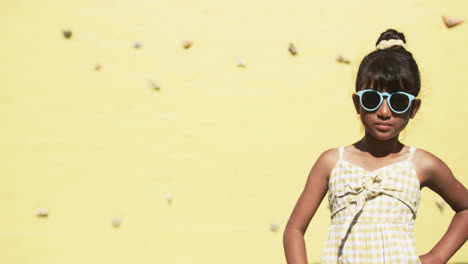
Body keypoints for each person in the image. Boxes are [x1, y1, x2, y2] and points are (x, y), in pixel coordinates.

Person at [283, 29, 468, 264]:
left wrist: (436, 257)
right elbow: (294, 230)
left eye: (398, 102)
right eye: (372, 99)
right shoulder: (332, 163)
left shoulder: (422, 164)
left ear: (414, 108)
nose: (383, 112)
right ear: (357, 103)